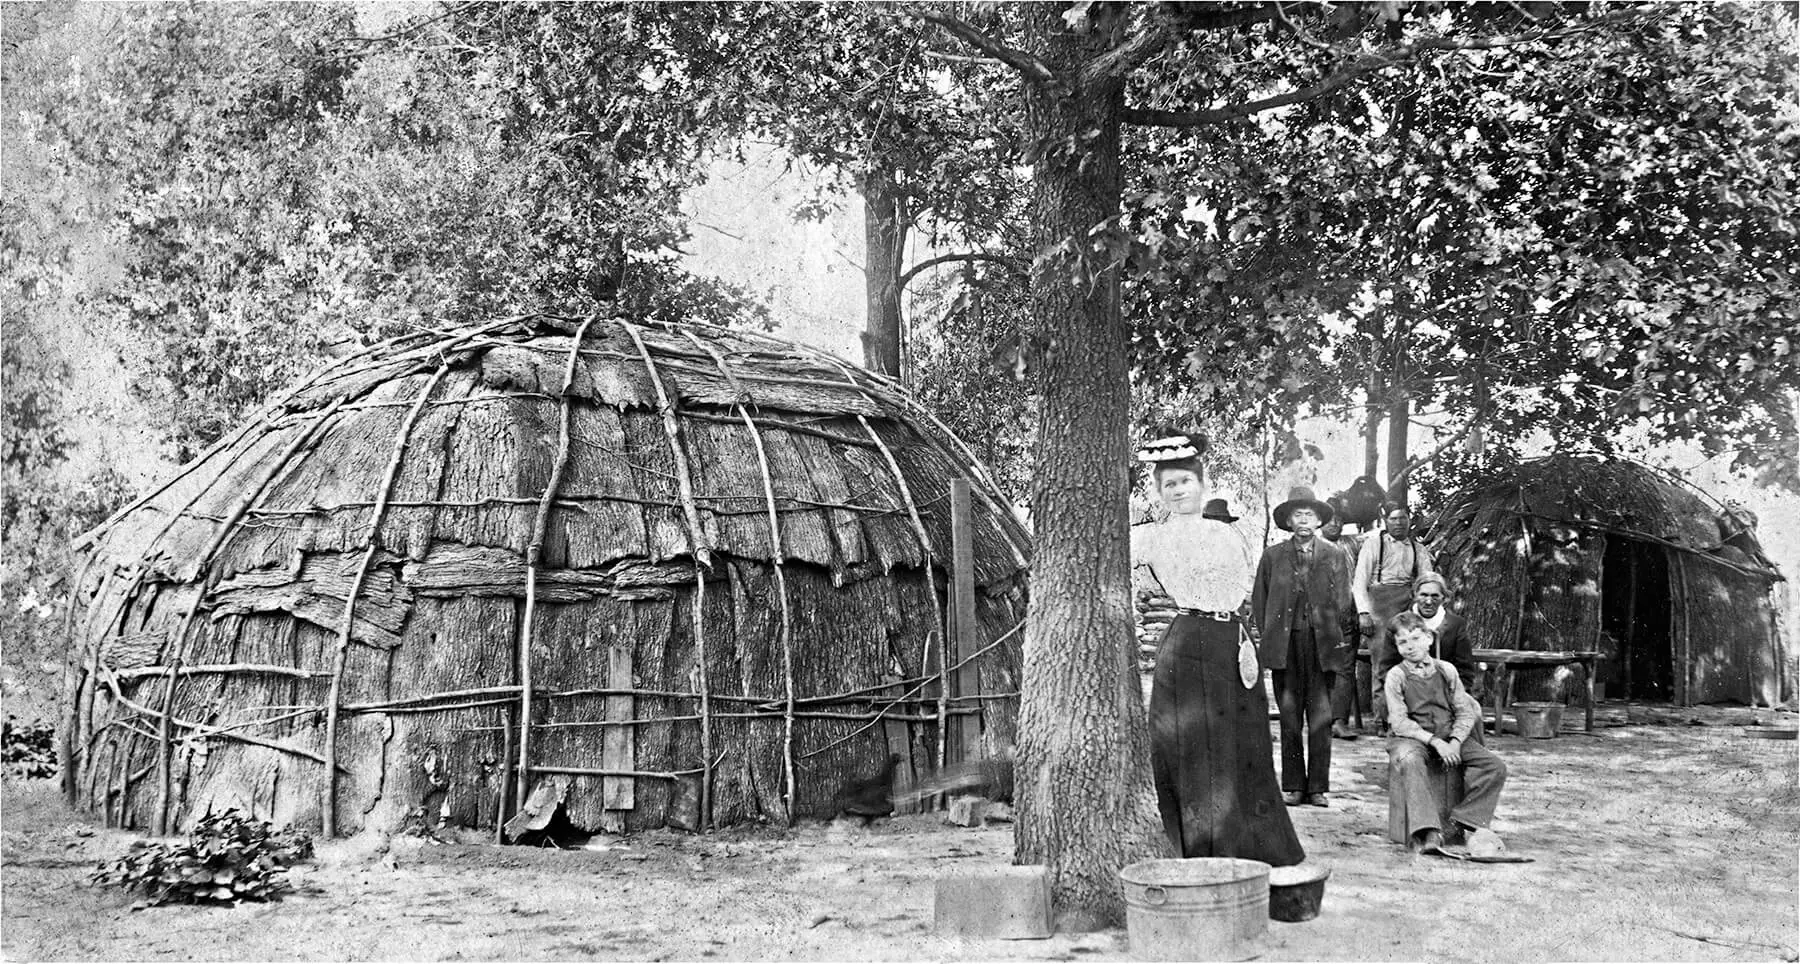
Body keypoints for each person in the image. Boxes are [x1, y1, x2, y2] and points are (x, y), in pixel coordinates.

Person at [1132, 434, 1305, 867]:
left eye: (1186, 481)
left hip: (1232, 642)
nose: (1178, 490)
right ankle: (1198, 849)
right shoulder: (1150, 538)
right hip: (1187, 640)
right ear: (1158, 492)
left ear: (1202, 484)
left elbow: (1241, 589)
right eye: (1168, 484)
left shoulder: (1228, 535)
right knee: (1189, 745)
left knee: (1242, 746)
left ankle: (1255, 849)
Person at [1250, 486, 1357, 807]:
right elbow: (1260, 600)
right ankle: (1294, 785)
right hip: (1285, 645)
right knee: (1290, 716)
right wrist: (1273, 633)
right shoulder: (1272, 557)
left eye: (1309, 515)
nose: (1304, 521)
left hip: (1322, 645)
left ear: (1319, 520)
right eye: (1298, 515)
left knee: (1322, 716)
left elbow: (1343, 601)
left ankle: (1318, 788)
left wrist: (1326, 629)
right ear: (1289, 521)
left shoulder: (1335, 555)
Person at [1385, 612, 1509, 854]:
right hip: (1412, 738)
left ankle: (1463, 820)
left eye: (1415, 639)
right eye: (1403, 642)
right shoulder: (1396, 676)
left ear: (1429, 639)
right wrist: (1434, 742)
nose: (1410, 647)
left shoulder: (1446, 670)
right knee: (1410, 760)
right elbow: (1399, 722)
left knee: (1494, 766)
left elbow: (1465, 712)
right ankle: (1428, 831)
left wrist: (1454, 741)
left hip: (1449, 734)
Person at [1356, 502, 1436, 729]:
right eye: (1393, 519)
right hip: (1379, 605)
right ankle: (1384, 720)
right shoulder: (1373, 544)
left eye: (1403, 518)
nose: (1399, 523)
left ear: (1410, 521)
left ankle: (1412, 719)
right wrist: (1364, 613)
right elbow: (1359, 582)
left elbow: (1427, 581)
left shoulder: (1417, 548)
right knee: (1383, 662)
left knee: (1414, 658)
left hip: (1408, 604)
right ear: (1385, 520)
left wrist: (1426, 612)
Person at [1376, 572, 1478, 695]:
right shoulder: (1397, 624)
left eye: (1435, 596)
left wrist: (1448, 694)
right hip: (1407, 694)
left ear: (1444, 598)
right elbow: (1385, 668)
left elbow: (1465, 671)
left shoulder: (1456, 625)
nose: (1429, 601)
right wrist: (1408, 692)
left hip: (1445, 695)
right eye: (1423, 595)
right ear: (1414, 595)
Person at [1321, 496, 1366, 740]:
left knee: (1346, 668)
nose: (1335, 524)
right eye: (1329, 519)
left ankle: (1339, 721)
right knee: (1319, 666)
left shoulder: (1353, 543)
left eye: (1339, 519)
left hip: (1347, 614)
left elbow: (1376, 535)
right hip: (1320, 616)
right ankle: (1320, 718)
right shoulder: (1312, 545)